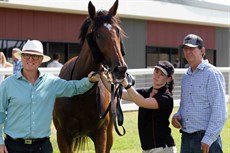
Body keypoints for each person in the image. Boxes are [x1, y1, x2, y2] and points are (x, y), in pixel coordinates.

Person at [0, 40, 100, 153]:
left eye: (35, 56)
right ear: (22, 57)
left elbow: (74, 88)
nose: (30, 59)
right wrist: (0, 142)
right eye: (27, 55)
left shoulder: (50, 82)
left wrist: (90, 80)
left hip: (42, 147)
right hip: (13, 147)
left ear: (41, 60)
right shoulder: (8, 84)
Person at [100, 61, 177, 153]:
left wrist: (125, 83)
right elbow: (117, 92)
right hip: (147, 148)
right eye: (156, 71)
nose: (157, 76)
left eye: (162, 74)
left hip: (162, 147)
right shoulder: (146, 93)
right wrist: (101, 74)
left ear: (168, 79)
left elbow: (142, 102)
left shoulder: (166, 97)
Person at [171, 34, 228, 153]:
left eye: (192, 48)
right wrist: (177, 115)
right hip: (186, 138)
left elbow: (220, 111)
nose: (188, 52)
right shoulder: (186, 76)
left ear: (202, 51)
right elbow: (184, 105)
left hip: (206, 140)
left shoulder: (212, 74)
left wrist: (209, 138)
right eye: (185, 48)